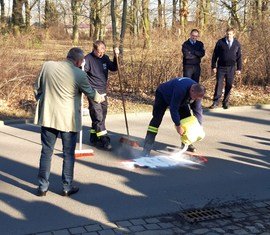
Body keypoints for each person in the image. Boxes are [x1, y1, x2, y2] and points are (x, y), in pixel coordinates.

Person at [34, 47, 105, 197]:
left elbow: (37, 88)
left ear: (67, 56)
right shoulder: (79, 74)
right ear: (79, 62)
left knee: (46, 152)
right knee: (68, 154)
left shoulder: (47, 66)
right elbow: (91, 93)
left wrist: (42, 101)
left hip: (48, 117)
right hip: (68, 120)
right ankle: (67, 186)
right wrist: (100, 97)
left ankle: (42, 187)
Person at [142, 77, 206, 156]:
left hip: (181, 99)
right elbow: (173, 108)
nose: (195, 99)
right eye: (195, 97)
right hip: (163, 95)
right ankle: (147, 147)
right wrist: (178, 125)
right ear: (192, 91)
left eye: (197, 98)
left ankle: (186, 143)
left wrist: (199, 125)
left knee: (188, 120)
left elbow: (197, 109)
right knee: (156, 120)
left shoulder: (198, 92)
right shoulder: (181, 89)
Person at [84, 40, 119, 151]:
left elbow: (114, 68)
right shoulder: (88, 59)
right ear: (94, 49)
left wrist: (116, 56)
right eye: (99, 52)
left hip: (103, 91)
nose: (101, 54)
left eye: (103, 51)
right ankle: (105, 140)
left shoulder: (105, 58)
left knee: (102, 116)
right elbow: (82, 74)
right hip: (93, 93)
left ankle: (94, 137)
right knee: (98, 116)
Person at [210, 27, 242, 109]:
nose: (229, 35)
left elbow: (239, 57)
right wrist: (214, 66)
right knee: (219, 85)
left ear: (233, 34)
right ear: (226, 34)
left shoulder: (237, 43)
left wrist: (239, 68)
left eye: (230, 34)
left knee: (229, 85)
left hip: (231, 68)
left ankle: (225, 102)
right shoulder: (220, 42)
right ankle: (215, 102)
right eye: (227, 34)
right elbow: (214, 55)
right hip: (221, 67)